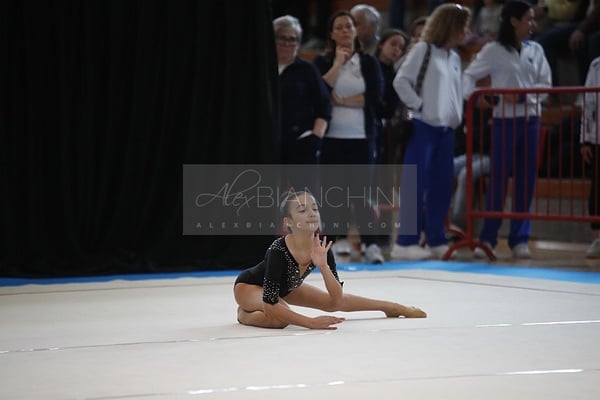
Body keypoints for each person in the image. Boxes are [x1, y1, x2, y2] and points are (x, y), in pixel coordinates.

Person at [234, 190, 427, 330]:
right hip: (250, 287)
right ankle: (244, 314)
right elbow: (270, 303)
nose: (311, 213)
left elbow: (337, 299)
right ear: (288, 222)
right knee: (279, 319)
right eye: (302, 210)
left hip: (286, 287)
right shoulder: (278, 249)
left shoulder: (322, 248)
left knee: (330, 304)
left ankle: (391, 307)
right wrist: (310, 323)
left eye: (315, 208)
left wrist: (324, 266)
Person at [463, 0, 552, 259]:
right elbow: (468, 77)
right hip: (504, 121)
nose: (533, 24)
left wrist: (523, 97)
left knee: (526, 180)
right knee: (498, 180)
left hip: (532, 121)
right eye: (528, 19)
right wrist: (482, 98)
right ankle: (488, 238)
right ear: (514, 21)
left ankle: (519, 239)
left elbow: (546, 85)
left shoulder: (536, 49)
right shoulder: (493, 50)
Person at [390, 3, 472, 261]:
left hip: (446, 130)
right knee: (415, 184)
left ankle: (436, 238)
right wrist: (419, 106)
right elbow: (401, 81)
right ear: (450, 26)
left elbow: (455, 92)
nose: (467, 31)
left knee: (442, 185)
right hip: (423, 126)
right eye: (463, 26)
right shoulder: (423, 50)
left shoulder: (454, 57)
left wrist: (456, 117)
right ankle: (405, 242)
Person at [313, 10, 386, 264]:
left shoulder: (369, 63)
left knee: (362, 194)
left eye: (349, 26)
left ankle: (371, 244)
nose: (345, 30)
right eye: (339, 27)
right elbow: (320, 92)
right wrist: (337, 65)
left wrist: (341, 100)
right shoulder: (322, 62)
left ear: (356, 31)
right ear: (332, 34)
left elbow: (374, 97)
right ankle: (331, 245)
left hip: (361, 138)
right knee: (333, 194)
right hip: (331, 138)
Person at [273, 15, 332, 192]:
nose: (287, 43)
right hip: (269, 144)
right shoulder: (263, 69)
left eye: (293, 39)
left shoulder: (307, 70)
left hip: (301, 143)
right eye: (282, 38)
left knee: (306, 197)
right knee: (268, 196)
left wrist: (315, 137)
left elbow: (324, 106)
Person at [534, 0, 599, 88]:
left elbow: (572, 10)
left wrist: (581, 30)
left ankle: (587, 88)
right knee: (541, 40)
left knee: (591, 41)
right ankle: (550, 90)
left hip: (592, 24)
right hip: (579, 22)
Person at [376, 28, 410, 164]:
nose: (396, 49)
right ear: (381, 44)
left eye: (401, 48)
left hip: (385, 125)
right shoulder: (369, 66)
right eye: (393, 44)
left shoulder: (396, 74)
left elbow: (391, 107)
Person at [580, 56, 600, 258]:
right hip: (598, 138)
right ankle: (597, 238)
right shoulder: (596, 66)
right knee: (597, 189)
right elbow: (588, 105)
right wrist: (584, 140)